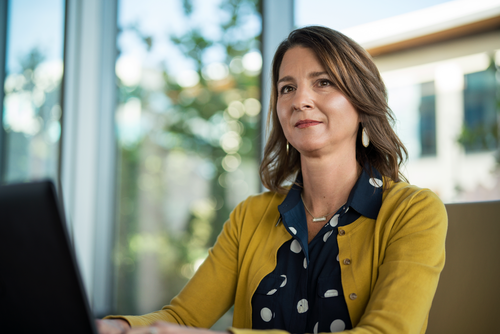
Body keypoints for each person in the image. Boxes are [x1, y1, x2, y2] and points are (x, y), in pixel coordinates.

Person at [97, 26, 447, 334]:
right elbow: (183, 317)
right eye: (287, 88)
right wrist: (116, 327)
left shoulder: (414, 211)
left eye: (323, 83)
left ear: (361, 100)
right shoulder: (249, 216)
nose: (300, 101)